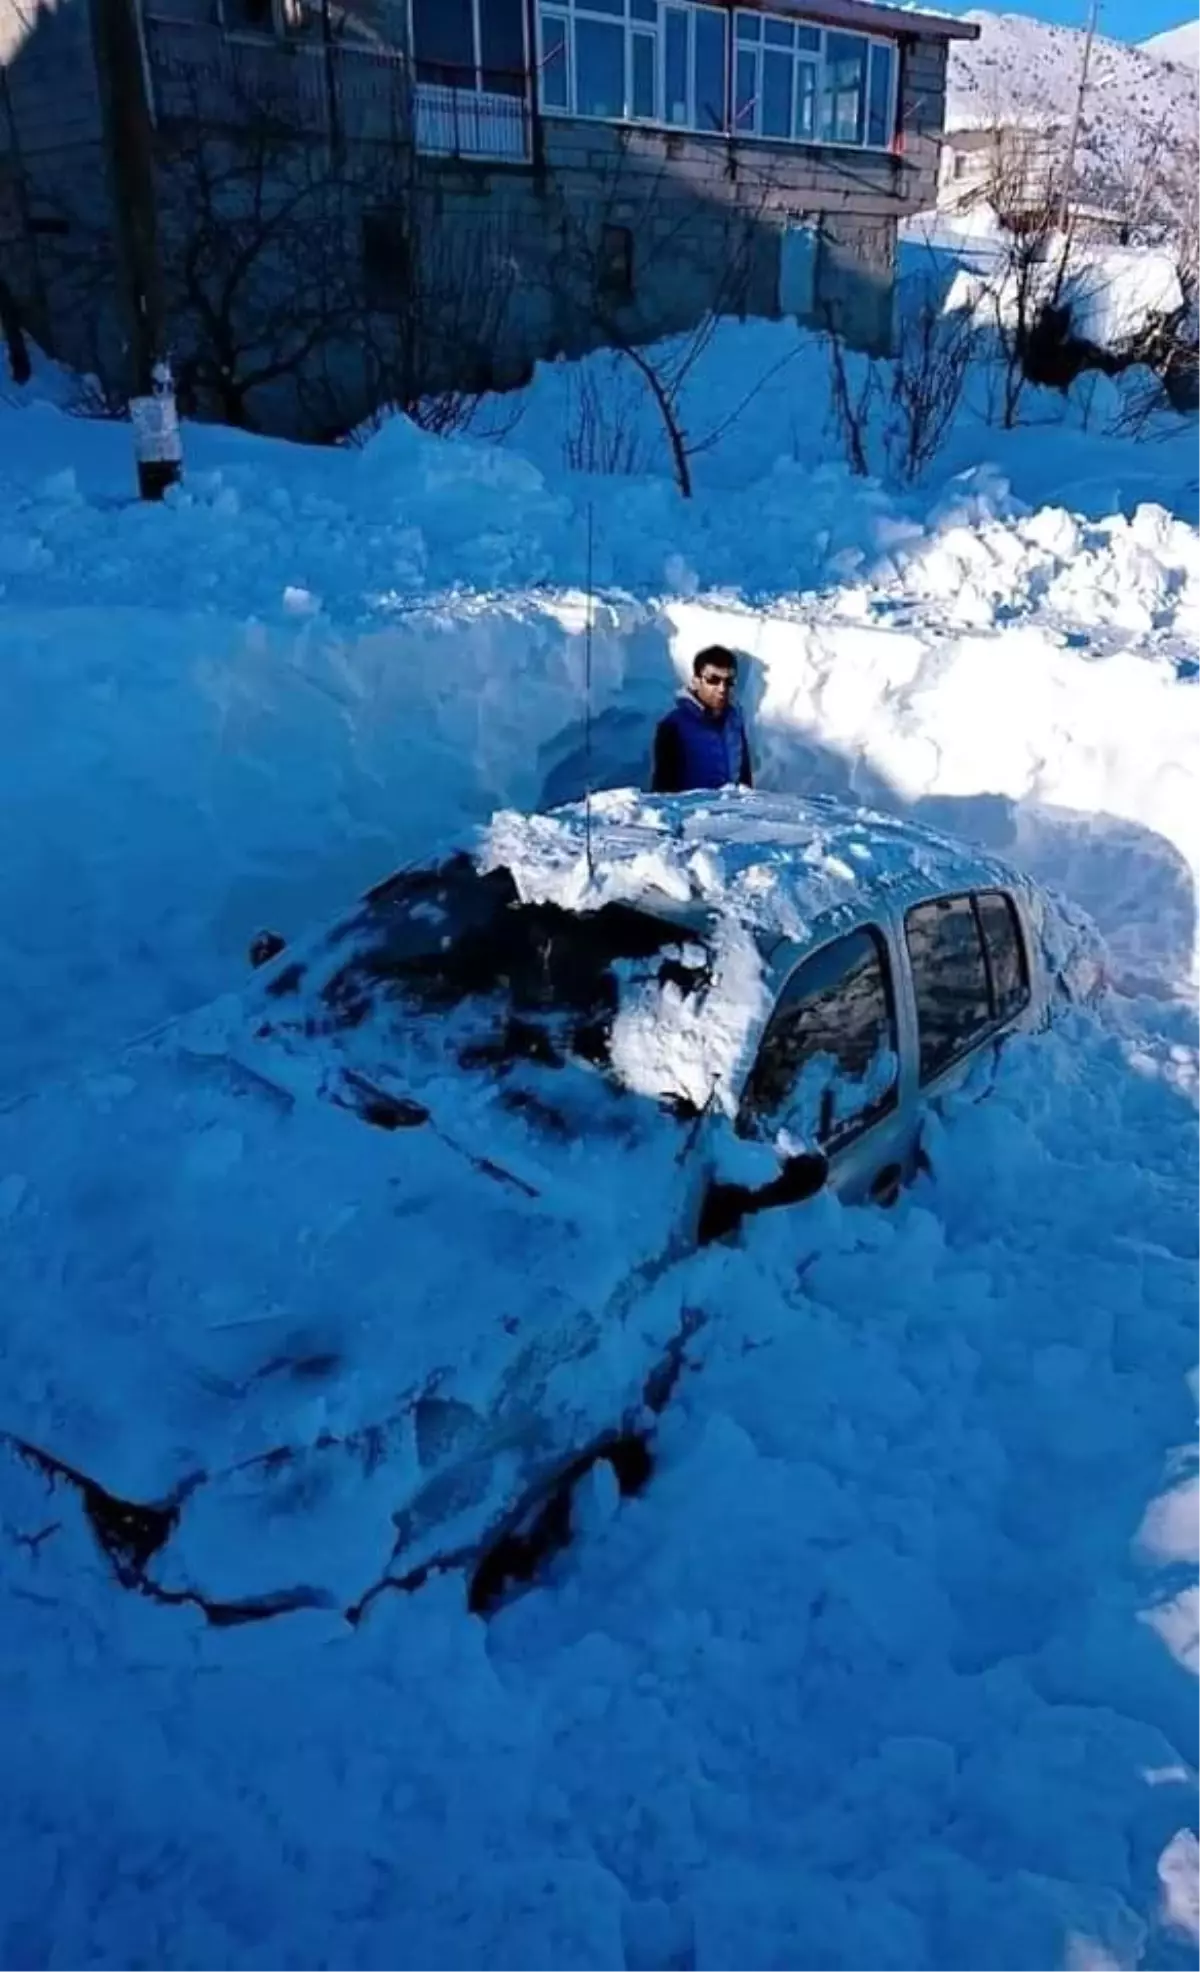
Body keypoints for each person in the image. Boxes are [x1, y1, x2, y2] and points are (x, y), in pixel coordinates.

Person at [651, 645, 753, 795]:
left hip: (733, 813)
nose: (722, 688)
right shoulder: (674, 725)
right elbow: (663, 789)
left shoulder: (735, 722)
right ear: (696, 681)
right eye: (713, 680)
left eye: (729, 681)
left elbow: (745, 780)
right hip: (694, 813)